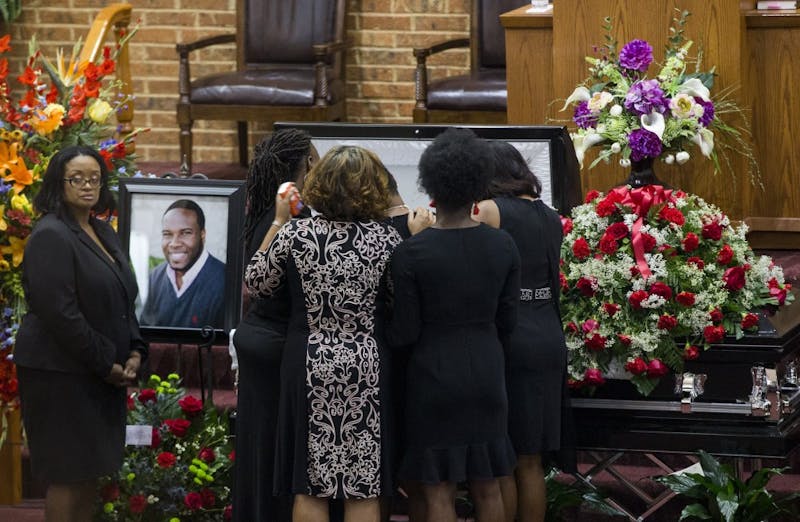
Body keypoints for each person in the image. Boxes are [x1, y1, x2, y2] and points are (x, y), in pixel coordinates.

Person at [245, 145, 402, 522]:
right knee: (362, 485)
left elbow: (257, 283)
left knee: (310, 484)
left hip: (309, 364)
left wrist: (280, 221)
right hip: (365, 365)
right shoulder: (387, 239)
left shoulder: (297, 234)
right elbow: (400, 302)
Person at [388, 128, 520, 522]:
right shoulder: (503, 245)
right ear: (478, 188)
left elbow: (405, 331)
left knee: (438, 489)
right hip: (486, 369)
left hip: (432, 375)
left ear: (432, 187)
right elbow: (508, 321)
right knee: (487, 483)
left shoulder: (412, 252)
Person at [14, 145, 147, 522]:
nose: (87, 186)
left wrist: (135, 350)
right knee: (67, 476)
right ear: (60, 183)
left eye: (95, 178)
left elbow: (124, 296)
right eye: (77, 179)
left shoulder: (103, 230)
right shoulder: (50, 235)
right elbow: (61, 315)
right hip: (59, 374)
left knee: (89, 474)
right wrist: (107, 363)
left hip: (95, 372)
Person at [474, 140, 575, 522]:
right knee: (530, 460)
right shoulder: (549, 215)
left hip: (510, 335)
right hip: (547, 332)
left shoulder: (489, 210)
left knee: (503, 459)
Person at [231, 128, 317, 522]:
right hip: (279, 344)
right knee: (279, 453)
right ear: (307, 167)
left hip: (258, 340)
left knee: (258, 450)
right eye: (314, 160)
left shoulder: (263, 209)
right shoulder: (294, 220)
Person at [139, 199, 225, 328]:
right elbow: (145, 332)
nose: (174, 243)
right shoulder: (155, 277)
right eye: (167, 234)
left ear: (202, 235)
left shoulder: (225, 281)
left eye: (185, 233)